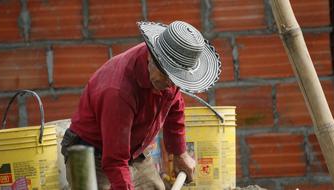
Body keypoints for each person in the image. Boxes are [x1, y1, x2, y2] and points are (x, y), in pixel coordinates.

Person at [61, 20, 221, 190]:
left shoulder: (169, 76)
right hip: (95, 155)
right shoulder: (118, 91)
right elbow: (115, 160)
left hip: (134, 151)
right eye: (167, 76)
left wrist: (180, 153)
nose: (170, 84)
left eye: (176, 79)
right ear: (152, 56)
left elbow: (175, 107)